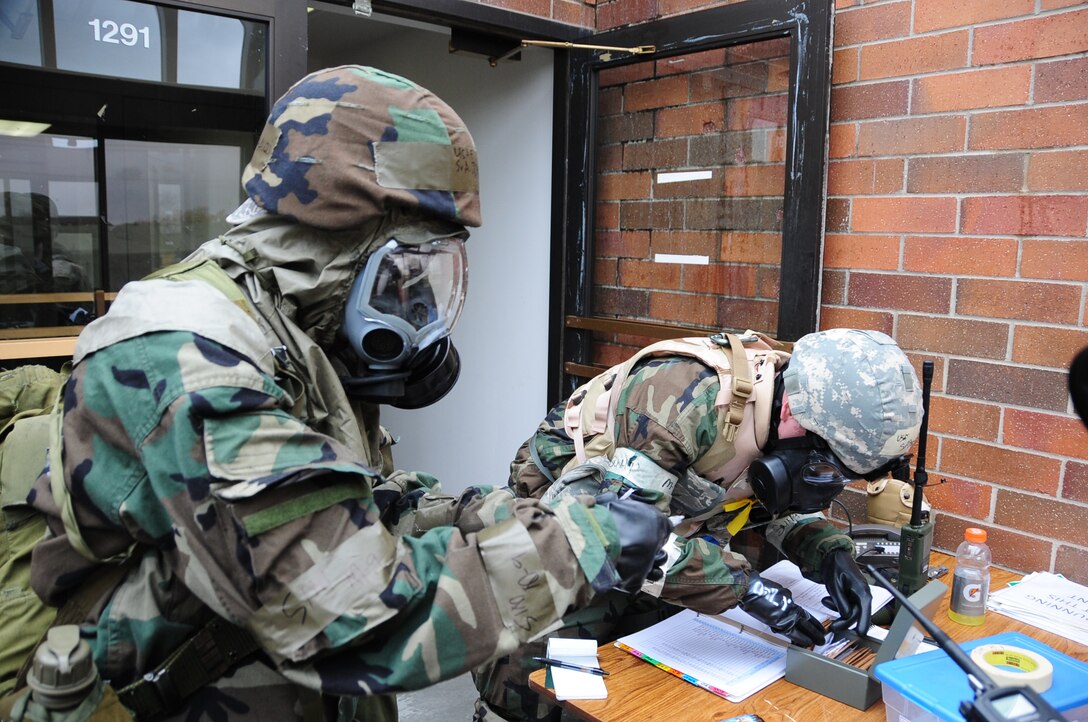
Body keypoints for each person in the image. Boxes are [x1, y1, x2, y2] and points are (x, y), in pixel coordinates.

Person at [18, 65, 671, 722]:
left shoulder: (290, 327)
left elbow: (352, 502)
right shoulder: (192, 363)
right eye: (408, 275)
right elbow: (352, 615)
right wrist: (580, 543)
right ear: (337, 238)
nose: (418, 311)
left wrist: (512, 510)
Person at [473, 328, 925, 722]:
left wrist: (830, 554)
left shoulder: (801, 411)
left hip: (666, 525)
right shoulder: (681, 399)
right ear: (790, 412)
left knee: (651, 679)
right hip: (569, 527)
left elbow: (773, 503)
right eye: (824, 468)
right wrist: (745, 587)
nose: (825, 483)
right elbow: (623, 540)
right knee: (537, 686)